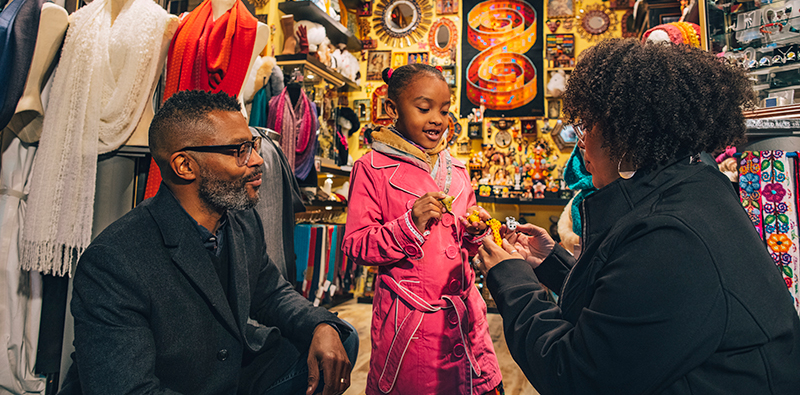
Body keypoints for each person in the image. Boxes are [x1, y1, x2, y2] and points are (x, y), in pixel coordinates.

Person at [476, 39, 800, 394]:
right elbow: (629, 304)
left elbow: (577, 376)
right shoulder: (691, 190)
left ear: (624, 135)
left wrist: (511, 280)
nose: (581, 142)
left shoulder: (672, 235)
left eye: (587, 126)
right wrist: (551, 263)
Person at [58, 90, 357, 395]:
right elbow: (129, 389)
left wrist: (321, 324)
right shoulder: (115, 260)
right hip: (172, 384)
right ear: (185, 166)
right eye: (240, 150)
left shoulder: (240, 220)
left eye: (252, 145)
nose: (257, 160)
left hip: (229, 372)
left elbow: (270, 294)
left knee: (339, 342)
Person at [342, 64, 503, 395]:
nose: (437, 120)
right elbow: (356, 245)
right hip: (412, 327)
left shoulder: (457, 170)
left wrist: (474, 233)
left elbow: (462, 245)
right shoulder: (371, 169)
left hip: (466, 322)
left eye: (444, 111)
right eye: (424, 108)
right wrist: (408, 225)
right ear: (392, 110)